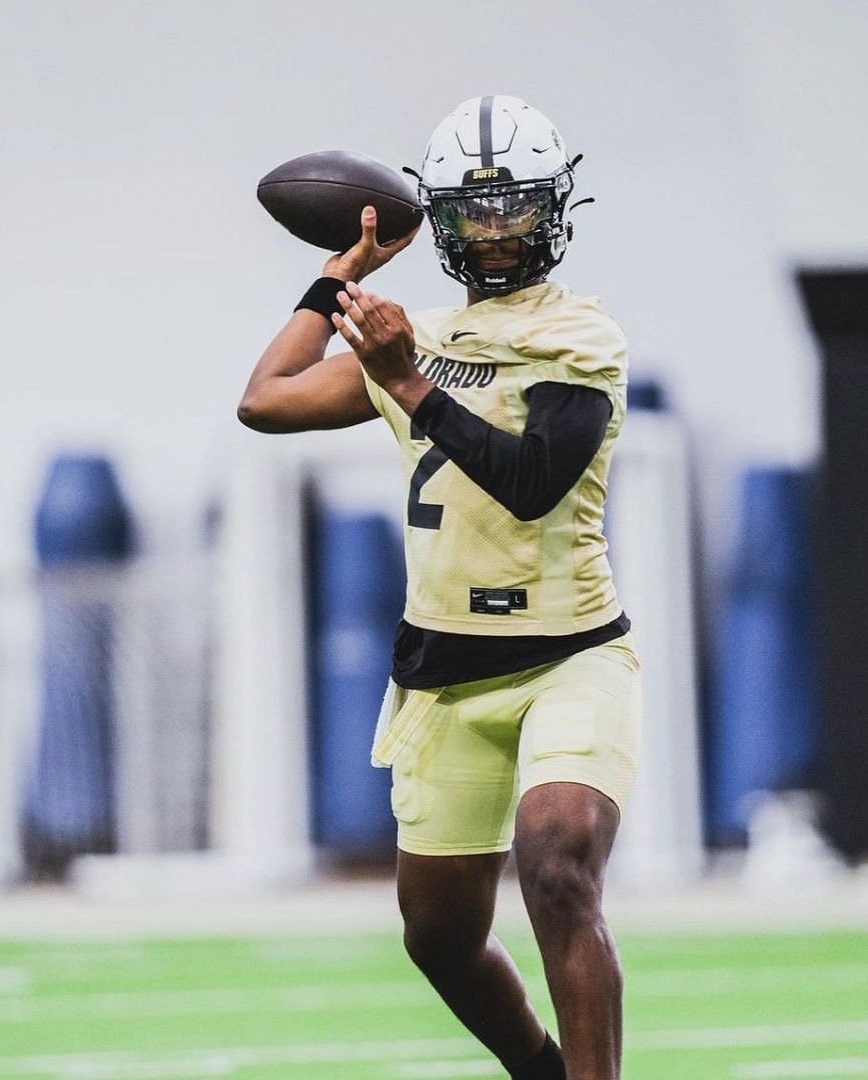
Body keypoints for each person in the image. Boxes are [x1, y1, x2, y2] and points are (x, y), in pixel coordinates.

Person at [236, 96, 637, 1080]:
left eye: (513, 207)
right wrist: (337, 278)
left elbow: (534, 480)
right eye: (473, 210)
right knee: (438, 938)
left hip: (567, 657)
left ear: (553, 209)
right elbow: (265, 400)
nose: (495, 230)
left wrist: (408, 380)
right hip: (446, 673)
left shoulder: (581, 336)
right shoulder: (405, 335)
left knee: (558, 856)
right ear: (442, 224)